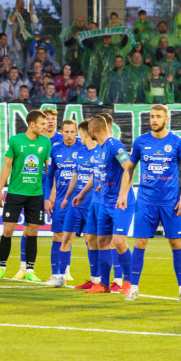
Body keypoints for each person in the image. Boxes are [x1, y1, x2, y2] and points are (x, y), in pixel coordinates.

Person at [118, 104, 181, 301]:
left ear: (166, 119)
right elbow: (129, 168)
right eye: (152, 116)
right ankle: (133, 289)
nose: (154, 120)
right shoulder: (140, 142)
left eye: (158, 116)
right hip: (145, 202)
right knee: (140, 243)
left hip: (170, 203)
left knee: (176, 243)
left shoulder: (178, 143)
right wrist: (124, 193)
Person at [71, 115, 132, 294]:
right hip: (105, 200)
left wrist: (123, 194)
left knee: (119, 241)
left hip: (119, 202)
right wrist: (86, 192)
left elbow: (129, 167)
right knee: (102, 241)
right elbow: (106, 174)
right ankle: (103, 284)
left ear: (91, 131)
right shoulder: (102, 148)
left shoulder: (114, 145)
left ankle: (128, 282)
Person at [0, 110, 52, 282]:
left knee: (32, 232)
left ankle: (30, 270)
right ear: (32, 124)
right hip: (16, 193)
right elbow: (7, 166)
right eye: (42, 123)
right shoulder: (15, 140)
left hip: (35, 194)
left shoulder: (46, 142)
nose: (45, 126)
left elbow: (49, 169)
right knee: (8, 230)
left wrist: (51, 192)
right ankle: (1, 268)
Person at [60, 119, 99, 289]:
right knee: (66, 237)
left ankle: (95, 279)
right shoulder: (81, 152)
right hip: (76, 204)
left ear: (83, 134)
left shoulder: (100, 152)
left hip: (91, 204)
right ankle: (60, 276)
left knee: (91, 240)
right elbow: (76, 176)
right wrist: (67, 198)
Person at [45, 119, 81, 287]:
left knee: (89, 237)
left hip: (81, 200)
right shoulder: (55, 149)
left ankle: (97, 278)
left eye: (72, 132)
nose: (69, 135)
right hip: (61, 200)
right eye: (66, 132)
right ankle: (56, 274)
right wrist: (47, 197)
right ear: (61, 132)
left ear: (77, 132)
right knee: (59, 235)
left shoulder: (83, 147)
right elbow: (49, 175)